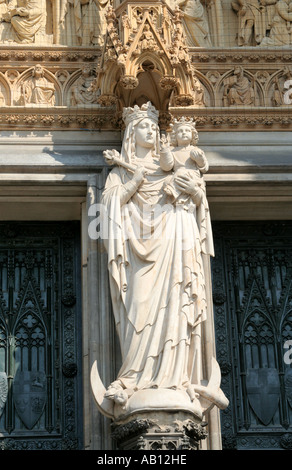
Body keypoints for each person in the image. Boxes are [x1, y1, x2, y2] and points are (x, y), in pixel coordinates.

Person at [100, 102, 215, 418]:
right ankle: (134, 378)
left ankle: (176, 381)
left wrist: (197, 194)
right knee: (139, 306)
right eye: (143, 126)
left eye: (153, 126)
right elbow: (108, 204)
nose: (151, 130)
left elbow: (195, 198)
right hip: (139, 253)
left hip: (174, 248)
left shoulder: (173, 166)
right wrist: (134, 180)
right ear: (130, 133)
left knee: (176, 305)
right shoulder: (119, 171)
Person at [160, 117, 209, 209]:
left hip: (192, 176)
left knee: (180, 172)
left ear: (193, 135)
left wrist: (199, 160)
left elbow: (205, 167)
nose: (184, 133)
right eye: (180, 131)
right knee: (170, 178)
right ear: (174, 136)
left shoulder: (196, 150)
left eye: (187, 130)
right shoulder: (173, 151)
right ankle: (173, 193)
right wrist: (165, 150)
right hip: (178, 178)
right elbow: (167, 166)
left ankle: (172, 190)